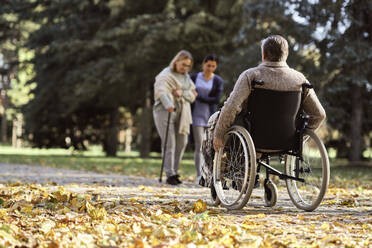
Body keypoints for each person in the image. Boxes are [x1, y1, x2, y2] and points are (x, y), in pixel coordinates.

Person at [213, 35, 326, 152]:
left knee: (217, 119)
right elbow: (319, 114)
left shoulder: (251, 75)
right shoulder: (300, 80)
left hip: (252, 141)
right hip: (287, 141)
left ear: (263, 55)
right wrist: (301, 137)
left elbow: (231, 107)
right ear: (286, 55)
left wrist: (219, 134)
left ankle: (224, 164)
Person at [153, 50, 198, 185]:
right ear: (176, 61)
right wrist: (168, 104)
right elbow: (161, 91)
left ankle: (175, 170)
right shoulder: (166, 74)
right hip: (165, 110)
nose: (185, 68)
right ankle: (170, 173)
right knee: (169, 142)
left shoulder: (186, 77)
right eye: (183, 64)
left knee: (182, 141)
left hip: (183, 110)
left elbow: (193, 94)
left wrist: (181, 93)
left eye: (188, 66)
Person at [190, 54, 224, 184]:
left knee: (209, 147)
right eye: (208, 65)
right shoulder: (194, 77)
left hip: (210, 116)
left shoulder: (218, 81)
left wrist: (198, 97)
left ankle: (210, 174)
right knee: (199, 146)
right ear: (203, 64)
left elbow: (216, 99)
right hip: (196, 115)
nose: (210, 68)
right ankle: (200, 175)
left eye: (213, 66)